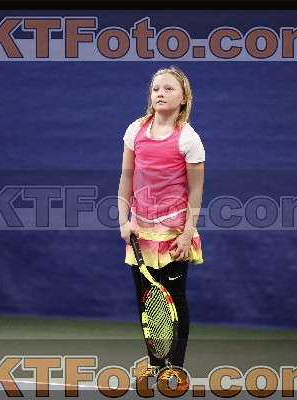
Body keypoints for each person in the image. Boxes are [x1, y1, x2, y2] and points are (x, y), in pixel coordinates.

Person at [117, 66, 205, 391]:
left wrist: (187, 232)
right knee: (148, 302)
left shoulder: (189, 139)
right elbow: (126, 178)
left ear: (183, 99)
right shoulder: (135, 131)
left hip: (174, 235)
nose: (160, 94)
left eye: (169, 89)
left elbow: (196, 189)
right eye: (156, 89)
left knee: (174, 300)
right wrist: (124, 220)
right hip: (140, 234)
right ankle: (155, 364)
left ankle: (175, 368)